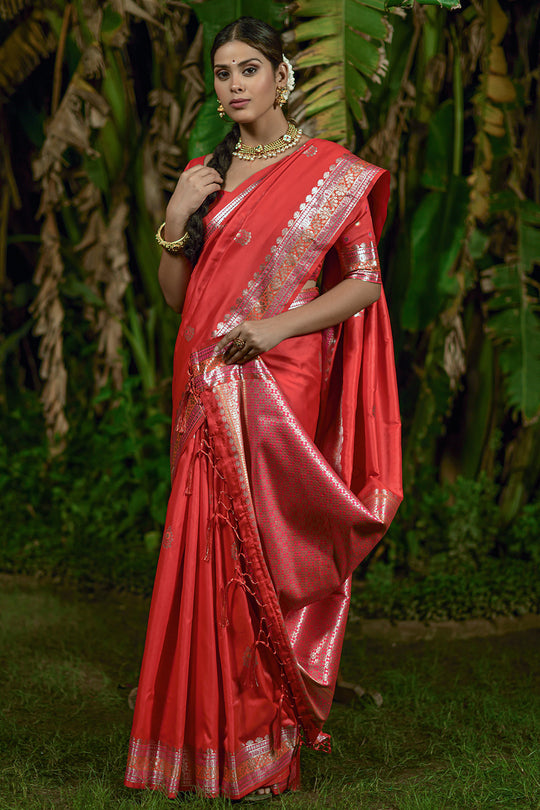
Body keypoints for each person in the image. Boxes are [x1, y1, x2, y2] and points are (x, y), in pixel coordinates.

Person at [124, 16, 402, 802]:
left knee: (267, 552)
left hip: (281, 375)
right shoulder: (202, 172)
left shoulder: (328, 173)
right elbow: (180, 301)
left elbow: (364, 283)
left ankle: (264, 727)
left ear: (282, 77)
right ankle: (200, 735)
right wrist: (176, 219)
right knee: (205, 550)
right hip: (205, 380)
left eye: (250, 67)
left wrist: (274, 326)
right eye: (222, 72)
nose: (235, 83)